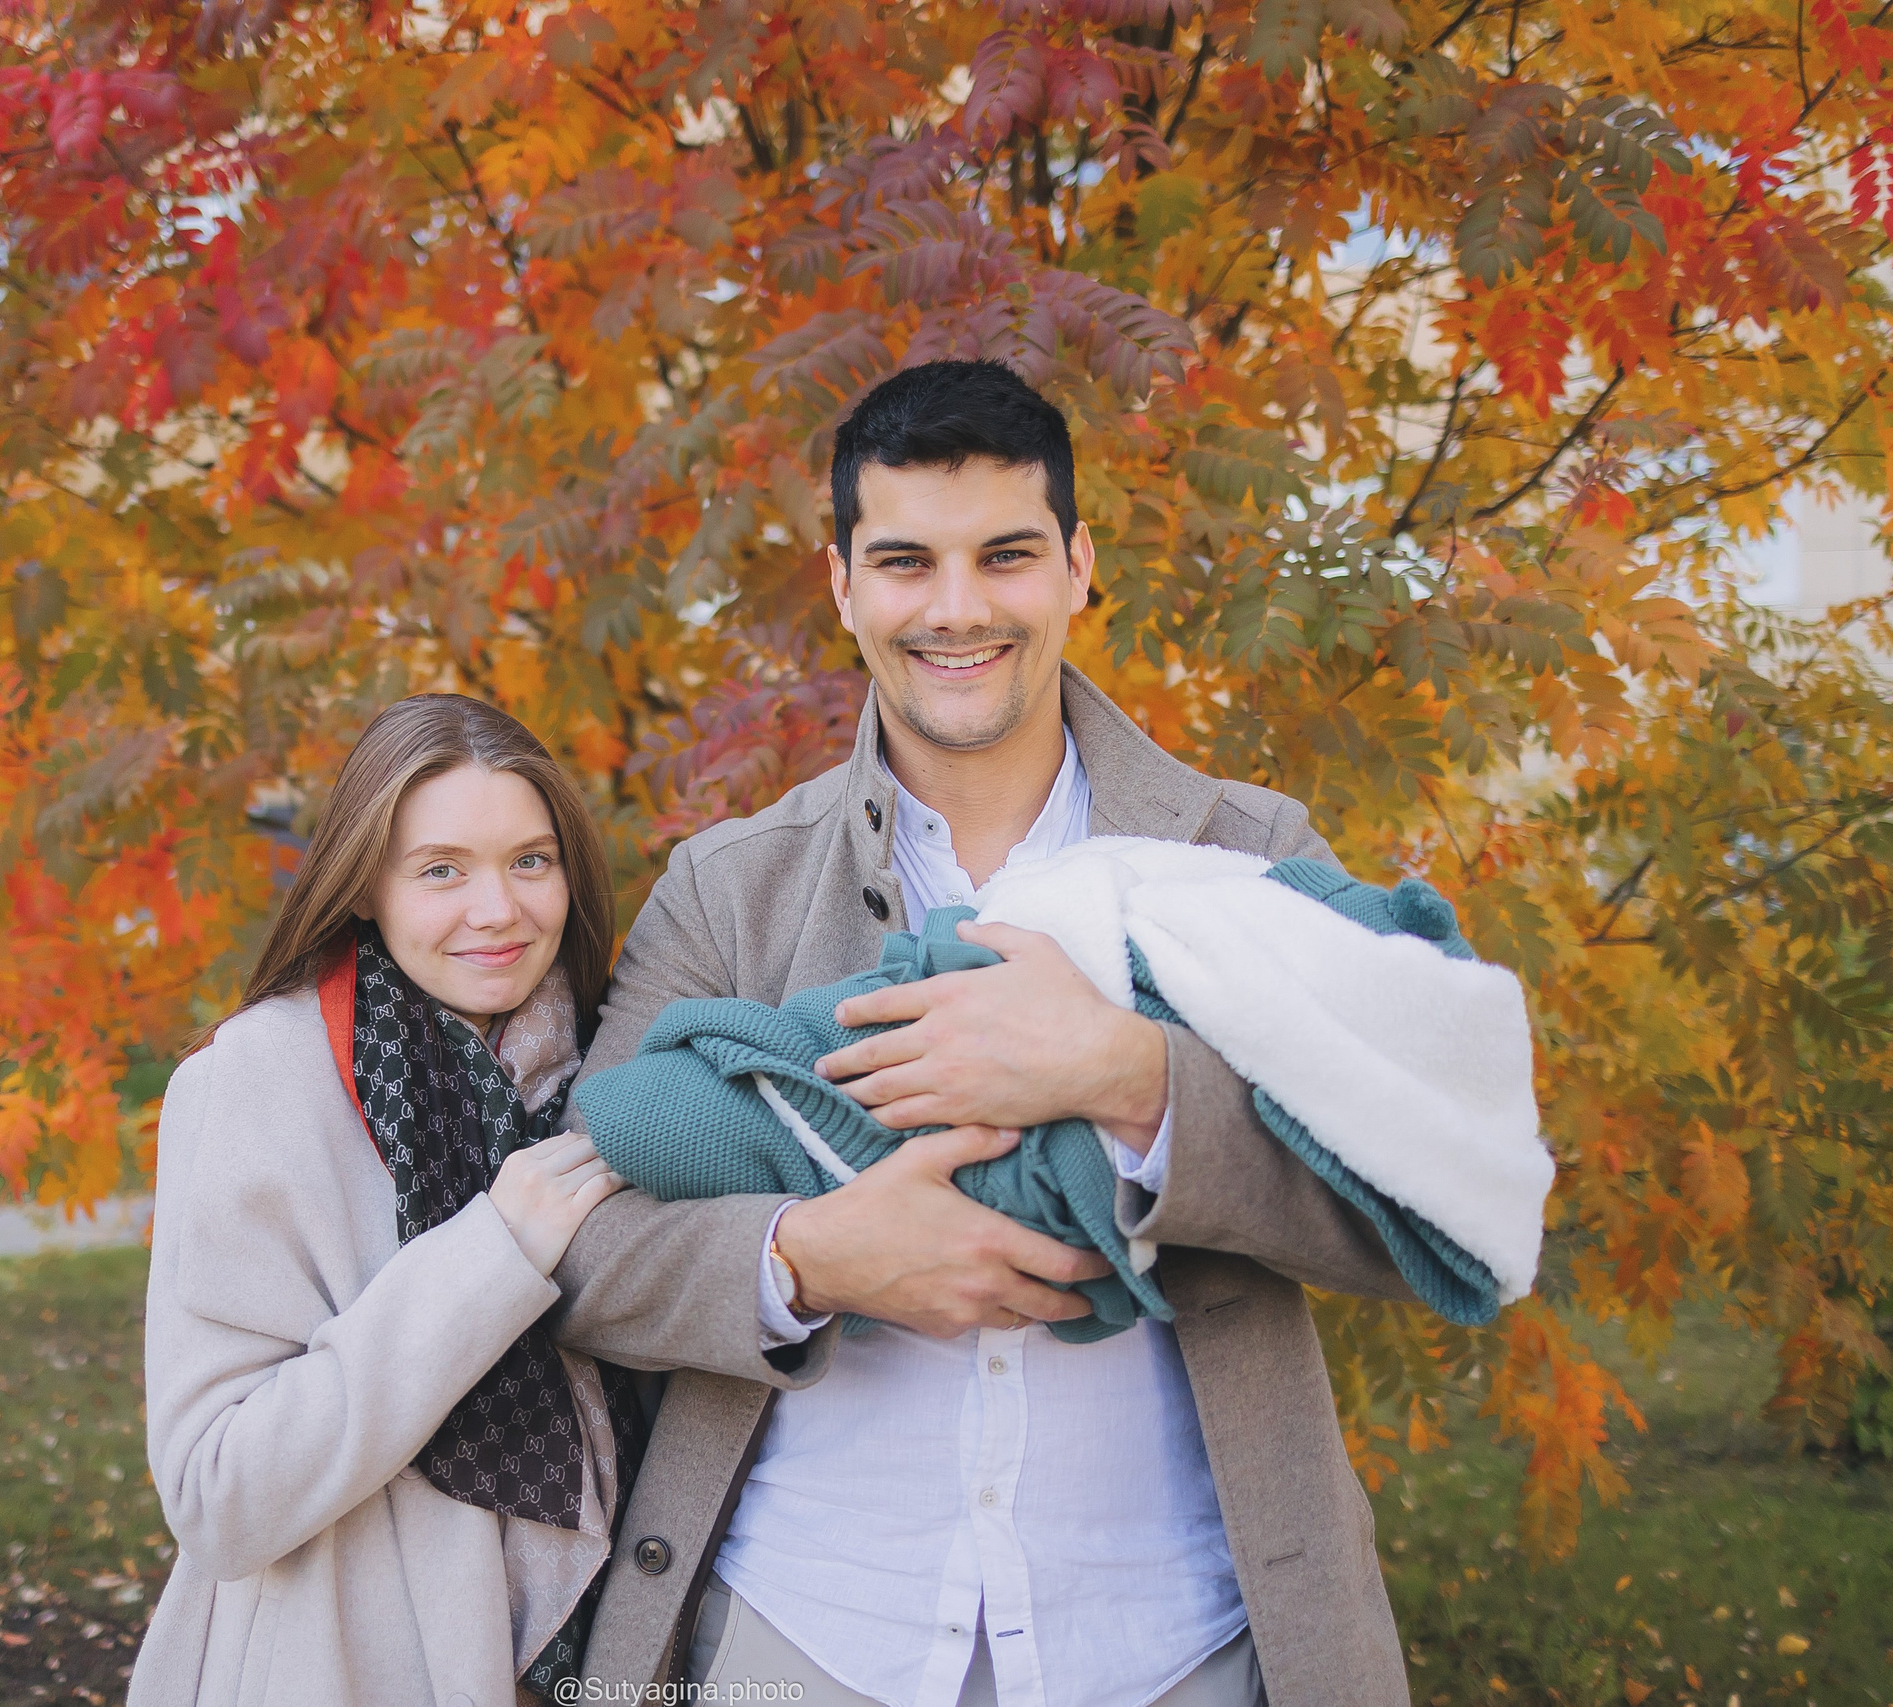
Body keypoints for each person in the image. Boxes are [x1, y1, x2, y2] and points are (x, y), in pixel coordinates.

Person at [546, 360, 1419, 1706]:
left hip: (1172, 1635)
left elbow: (1402, 1199)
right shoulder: (730, 887)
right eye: (905, 561)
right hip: (807, 1628)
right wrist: (816, 1257)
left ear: (1076, 565)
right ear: (843, 584)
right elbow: (575, 1243)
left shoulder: (1249, 856)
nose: (958, 609)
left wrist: (1131, 1078)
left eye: (1006, 553)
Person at [131, 694, 643, 1707]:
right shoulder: (252, 1086)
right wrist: (491, 1254)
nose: (496, 909)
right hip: (337, 1665)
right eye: (441, 869)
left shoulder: (608, 1074)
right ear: (366, 883)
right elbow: (217, 1497)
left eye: (530, 862)